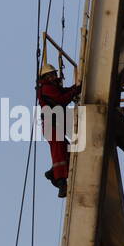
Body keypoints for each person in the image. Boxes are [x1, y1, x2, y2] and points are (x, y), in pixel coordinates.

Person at [36, 63, 80, 198]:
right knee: (59, 153)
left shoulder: (53, 87)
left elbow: (63, 93)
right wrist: (75, 91)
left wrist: (75, 89)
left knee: (69, 151)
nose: (55, 76)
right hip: (51, 125)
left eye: (54, 74)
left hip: (56, 125)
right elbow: (61, 100)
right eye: (52, 74)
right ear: (47, 76)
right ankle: (61, 183)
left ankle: (53, 173)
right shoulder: (47, 88)